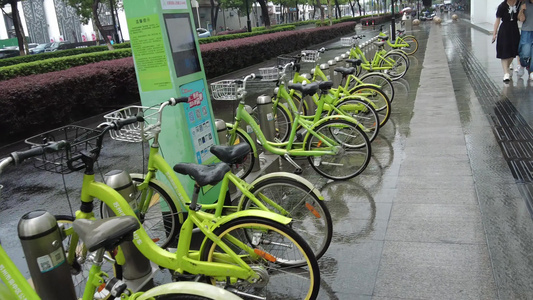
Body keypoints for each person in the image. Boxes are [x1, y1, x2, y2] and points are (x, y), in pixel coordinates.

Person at [493, 0, 521, 82]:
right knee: (505, 51)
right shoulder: (502, 6)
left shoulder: (519, 4)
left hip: (514, 29)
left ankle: (507, 67)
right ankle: (506, 73)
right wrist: (494, 33)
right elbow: (497, 19)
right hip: (504, 30)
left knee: (513, 51)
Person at [518, 0, 533, 80]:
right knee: (525, 54)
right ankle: (522, 64)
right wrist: (522, 10)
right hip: (526, 31)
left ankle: (531, 72)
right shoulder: (524, 3)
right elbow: (521, 19)